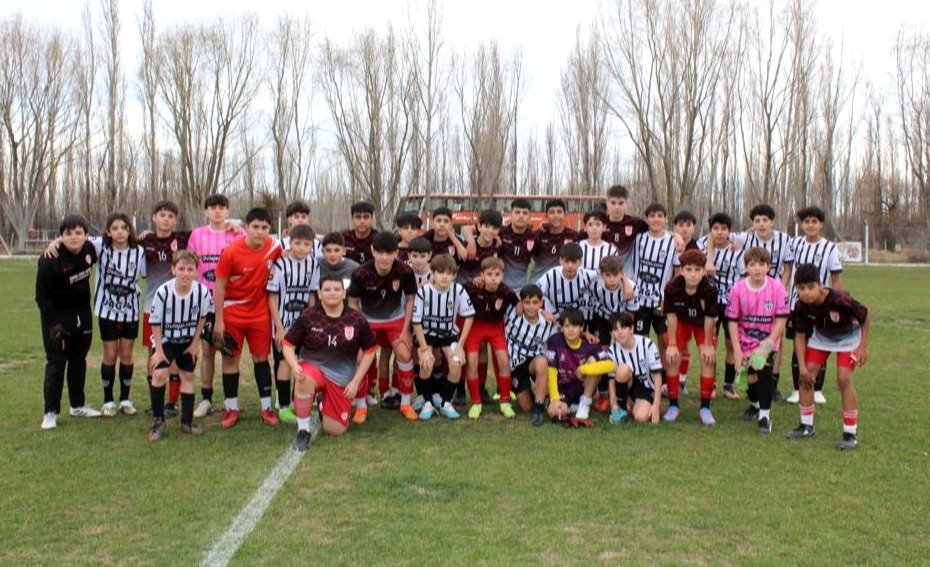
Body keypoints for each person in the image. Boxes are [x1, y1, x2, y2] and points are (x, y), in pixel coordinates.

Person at [282, 275, 379, 451]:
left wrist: (356, 380)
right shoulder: (309, 316)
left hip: (341, 376)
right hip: (313, 367)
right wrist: (294, 365)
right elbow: (288, 344)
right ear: (319, 293)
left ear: (344, 293)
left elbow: (370, 350)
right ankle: (303, 431)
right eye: (327, 289)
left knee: (336, 430)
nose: (332, 293)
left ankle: (321, 403)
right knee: (304, 379)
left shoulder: (356, 319)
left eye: (336, 289)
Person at [786, 264, 870, 450]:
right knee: (807, 377)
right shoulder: (800, 306)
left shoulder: (839, 299)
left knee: (844, 378)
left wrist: (863, 347)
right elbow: (799, 337)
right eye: (801, 288)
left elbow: (865, 315)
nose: (806, 293)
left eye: (810, 287)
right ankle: (806, 425)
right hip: (822, 337)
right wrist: (802, 368)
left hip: (848, 337)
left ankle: (850, 433)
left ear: (820, 285)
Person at [213, 207, 283, 429]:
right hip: (233, 312)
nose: (260, 232)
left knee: (261, 358)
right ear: (246, 228)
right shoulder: (231, 252)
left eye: (264, 227)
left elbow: (300, 246)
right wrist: (219, 320)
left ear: (270, 229)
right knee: (230, 359)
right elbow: (219, 287)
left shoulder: (275, 247)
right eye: (255, 227)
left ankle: (266, 407)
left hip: (260, 312)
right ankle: (231, 407)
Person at [36, 215, 102, 429]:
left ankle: (77, 405)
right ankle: (50, 412)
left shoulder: (91, 250)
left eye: (78, 232)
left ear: (85, 235)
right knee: (56, 362)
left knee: (78, 360)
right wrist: (54, 326)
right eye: (68, 233)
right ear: (60, 237)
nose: (74, 237)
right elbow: (42, 297)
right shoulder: (50, 259)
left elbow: (117, 240)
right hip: (57, 317)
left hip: (82, 313)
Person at [347, 231, 419, 421]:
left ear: (396, 252)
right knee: (360, 356)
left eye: (390, 253)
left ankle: (405, 403)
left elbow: (410, 299)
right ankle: (361, 405)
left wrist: (405, 330)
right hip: (367, 320)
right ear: (373, 251)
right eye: (380, 252)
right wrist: (359, 328)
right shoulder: (361, 273)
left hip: (395, 319)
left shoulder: (405, 270)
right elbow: (353, 302)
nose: (385, 257)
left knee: (404, 353)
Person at [187, 194, 245, 418]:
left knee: (229, 351)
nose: (218, 211)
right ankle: (207, 398)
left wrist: (242, 229)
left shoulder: (237, 234)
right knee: (208, 351)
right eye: (213, 207)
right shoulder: (197, 235)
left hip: (230, 302)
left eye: (222, 207)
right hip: (205, 303)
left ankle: (231, 400)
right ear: (206, 212)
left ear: (228, 211)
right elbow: (190, 265)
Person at [146, 250, 213, 441]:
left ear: (196, 272)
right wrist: (158, 351)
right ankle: (158, 422)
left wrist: (194, 345)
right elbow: (155, 323)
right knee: (159, 374)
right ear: (173, 269)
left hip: (187, 340)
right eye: (181, 268)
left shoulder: (202, 292)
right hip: (165, 339)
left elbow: (202, 319)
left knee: (188, 375)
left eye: (189, 269)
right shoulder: (163, 292)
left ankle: (187, 422)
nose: (185, 273)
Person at [732, 204, 794, 401]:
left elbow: (787, 268)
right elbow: (719, 235)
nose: (761, 224)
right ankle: (746, 376)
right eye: (757, 220)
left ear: (772, 222)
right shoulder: (746, 237)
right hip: (751, 292)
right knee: (745, 332)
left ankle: (772, 383)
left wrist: (780, 290)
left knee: (777, 340)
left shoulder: (784, 239)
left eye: (765, 220)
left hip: (774, 295)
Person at [726, 247, 789, 434]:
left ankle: (764, 417)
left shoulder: (777, 288)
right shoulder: (737, 288)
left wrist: (767, 345)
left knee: (763, 369)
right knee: (748, 378)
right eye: (752, 264)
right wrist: (737, 351)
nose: (757, 269)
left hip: (767, 341)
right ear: (746, 267)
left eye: (761, 264)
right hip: (744, 341)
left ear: (768, 267)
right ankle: (755, 404)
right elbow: (732, 320)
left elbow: (781, 320)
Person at [785, 206, 843, 405]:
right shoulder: (794, 244)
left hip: (820, 306)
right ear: (802, 225)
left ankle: (817, 389)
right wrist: (784, 292)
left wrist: (836, 304)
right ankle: (796, 389)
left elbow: (835, 278)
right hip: (796, 304)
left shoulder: (830, 248)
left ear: (821, 225)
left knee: (820, 343)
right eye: (807, 221)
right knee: (798, 345)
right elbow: (787, 269)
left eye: (814, 222)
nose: (810, 225)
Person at [91, 212, 147, 417]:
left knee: (126, 354)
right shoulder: (100, 248)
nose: (120, 232)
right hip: (107, 310)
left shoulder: (139, 252)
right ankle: (108, 400)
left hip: (130, 310)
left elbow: (145, 274)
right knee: (110, 354)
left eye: (123, 228)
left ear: (129, 230)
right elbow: (76, 238)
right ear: (108, 231)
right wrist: (57, 241)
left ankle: (125, 398)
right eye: (115, 228)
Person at [140, 200, 191, 417]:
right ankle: (156, 401)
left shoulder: (182, 238)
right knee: (154, 354)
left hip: (178, 307)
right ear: (154, 217)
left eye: (171, 215)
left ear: (175, 220)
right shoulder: (144, 241)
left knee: (176, 354)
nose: (166, 219)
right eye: (162, 215)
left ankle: (172, 401)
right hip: (152, 306)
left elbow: (211, 228)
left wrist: (232, 226)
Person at [412, 254, 474, 420]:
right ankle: (427, 402)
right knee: (426, 364)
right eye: (440, 272)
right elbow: (416, 322)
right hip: (427, 334)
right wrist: (424, 349)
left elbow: (469, 317)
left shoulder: (459, 290)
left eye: (449, 273)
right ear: (432, 273)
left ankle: (446, 402)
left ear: (454, 275)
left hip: (448, 334)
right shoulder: (423, 292)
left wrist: (460, 345)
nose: (445, 276)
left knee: (456, 364)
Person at [268, 224, 320, 424]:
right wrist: (279, 329)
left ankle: (295, 399)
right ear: (290, 242)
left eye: (306, 244)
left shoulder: (313, 264)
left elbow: (312, 296)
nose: (301, 248)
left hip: (303, 324)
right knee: (284, 363)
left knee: (302, 362)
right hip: (282, 324)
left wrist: (312, 322)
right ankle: (282, 406)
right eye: (297, 243)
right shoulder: (280, 264)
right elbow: (271, 298)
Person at [661, 249, 719, 425]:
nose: (692, 274)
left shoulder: (710, 288)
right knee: (671, 357)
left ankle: (705, 408)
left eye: (697, 269)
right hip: (682, 322)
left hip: (702, 324)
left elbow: (710, 318)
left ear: (703, 271)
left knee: (708, 358)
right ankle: (673, 405)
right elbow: (671, 316)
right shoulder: (671, 287)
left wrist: (707, 344)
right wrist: (671, 344)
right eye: (688, 269)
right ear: (681, 270)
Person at [698, 213, 746, 400]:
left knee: (731, 345)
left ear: (729, 231)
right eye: (715, 228)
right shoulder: (703, 248)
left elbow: (743, 278)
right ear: (710, 231)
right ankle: (711, 384)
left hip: (732, 304)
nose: (719, 232)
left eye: (724, 228)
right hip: (711, 304)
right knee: (709, 344)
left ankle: (728, 384)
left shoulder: (738, 252)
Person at [464, 257, 519, 419]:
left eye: (497, 274)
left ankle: (505, 401)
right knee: (472, 363)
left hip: (496, 329)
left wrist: (543, 313)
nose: (493, 277)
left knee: (503, 361)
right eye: (489, 274)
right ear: (482, 275)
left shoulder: (507, 291)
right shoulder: (472, 287)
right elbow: (455, 293)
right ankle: (476, 402)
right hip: (475, 327)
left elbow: (521, 307)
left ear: (502, 275)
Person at [628, 203, 679, 377]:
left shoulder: (673, 242)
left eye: (660, 216)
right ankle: (641, 374)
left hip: (661, 301)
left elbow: (677, 272)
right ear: (647, 218)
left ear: (665, 219)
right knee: (639, 340)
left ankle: (665, 378)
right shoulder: (638, 239)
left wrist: (670, 298)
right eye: (652, 215)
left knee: (666, 341)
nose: (656, 219)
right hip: (639, 301)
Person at [541, 308, 615, 426]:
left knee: (593, 361)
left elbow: (611, 365)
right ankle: (566, 406)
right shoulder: (555, 341)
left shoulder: (590, 344)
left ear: (581, 328)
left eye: (574, 326)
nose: (570, 330)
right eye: (566, 326)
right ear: (561, 328)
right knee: (557, 412)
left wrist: (584, 369)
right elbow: (552, 371)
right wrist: (554, 399)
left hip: (582, 385)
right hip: (563, 388)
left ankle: (584, 404)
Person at [585, 255, 635, 410]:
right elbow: (589, 308)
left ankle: (626, 391)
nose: (612, 279)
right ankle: (603, 392)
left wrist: (627, 332)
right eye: (608, 275)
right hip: (600, 317)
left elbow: (631, 314)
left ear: (622, 274)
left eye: (615, 275)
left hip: (620, 318)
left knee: (624, 350)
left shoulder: (631, 287)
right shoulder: (594, 286)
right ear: (602, 275)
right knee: (602, 351)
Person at [505, 284, 556, 426]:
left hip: (534, 360)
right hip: (517, 363)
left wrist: (585, 334)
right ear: (521, 303)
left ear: (541, 303)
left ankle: (539, 407)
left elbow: (567, 328)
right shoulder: (512, 313)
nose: (531, 307)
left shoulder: (547, 322)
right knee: (526, 407)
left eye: (535, 303)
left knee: (542, 362)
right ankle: (542, 396)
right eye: (527, 302)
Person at [606, 312, 664, 424]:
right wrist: (613, 405)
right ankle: (621, 409)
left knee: (640, 417)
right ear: (611, 333)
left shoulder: (647, 345)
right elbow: (611, 380)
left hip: (647, 388)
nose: (620, 332)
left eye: (623, 327)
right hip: (628, 383)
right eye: (615, 329)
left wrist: (656, 405)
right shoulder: (612, 351)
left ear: (631, 329)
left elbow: (658, 376)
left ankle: (640, 404)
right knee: (622, 369)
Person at [538, 243, 596, 318]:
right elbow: (533, 293)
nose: (570, 266)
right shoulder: (551, 275)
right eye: (566, 262)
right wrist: (542, 312)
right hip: (553, 319)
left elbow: (604, 273)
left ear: (580, 261)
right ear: (560, 261)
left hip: (578, 321)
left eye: (574, 262)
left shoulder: (589, 276)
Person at [530, 198, 579, 284]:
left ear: (565, 214)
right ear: (546, 215)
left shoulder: (574, 235)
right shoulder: (538, 234)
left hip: (563, 282)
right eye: (552, 212)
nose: (556, 215)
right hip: (539, 281)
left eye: (559, 212)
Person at [601, 185, 648, 270]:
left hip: (627, 276)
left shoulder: (635, 223)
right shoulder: (600, 223)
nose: (617, 207)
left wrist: (675, 235)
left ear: (626, 204)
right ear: (607, 203)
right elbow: (579, 235)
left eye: (621, 203)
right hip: (605, 275)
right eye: (613, 203)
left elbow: (656, 231)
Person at [499, 198, 536, 291]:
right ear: (511, 215)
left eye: (525, 213)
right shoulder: (500, 232)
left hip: (522, 288)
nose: (521, 216)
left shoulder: (534, 237)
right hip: (500, 287)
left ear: (529, 217)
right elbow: (466, 229)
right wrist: (471, 242)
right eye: (517, 212)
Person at [459, 209, 503, 284]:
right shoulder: (466, 245)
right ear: (479, 227)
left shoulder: (498, 246)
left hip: (485, 290)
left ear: (498, 230)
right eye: (487, 226)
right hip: (463, 288)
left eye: (494, 228)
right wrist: (471, 242)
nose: (490, 231)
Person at [341, 201, 379, 265]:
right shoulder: (343, 237)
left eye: (366, 217)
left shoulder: (379, 238)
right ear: (352, 219)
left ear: (372, 219)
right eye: (358, 217)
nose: (362, 221)